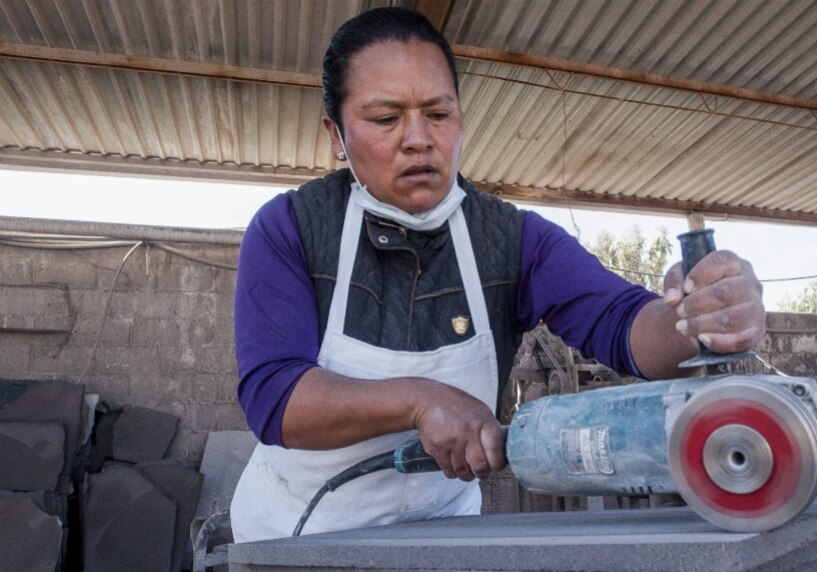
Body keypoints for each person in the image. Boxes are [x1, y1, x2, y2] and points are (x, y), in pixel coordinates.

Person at [230, 7, 766, 543]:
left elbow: (624, 325)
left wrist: (696, 318)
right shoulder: (291, 229)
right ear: (336, 135)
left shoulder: (512, 239)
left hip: (439, 536)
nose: (418, 139)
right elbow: (276, 399)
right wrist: (421, 401)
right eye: (386, 119)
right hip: (297, 533)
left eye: (438, 114)